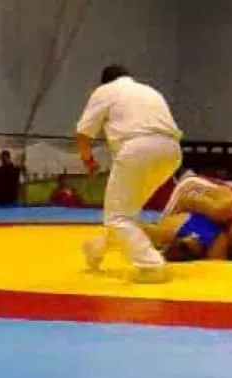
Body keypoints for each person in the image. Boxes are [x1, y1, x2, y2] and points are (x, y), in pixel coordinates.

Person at [76, 64, 183, 283]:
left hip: (138, 148)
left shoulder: (105, 90)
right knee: (127, 212)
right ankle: (96, 250)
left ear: (105, 81)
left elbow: (83, 132)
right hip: (172, 151)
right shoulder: (149, 90)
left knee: (117, 216)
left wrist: (88, 160)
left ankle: (152, 265)